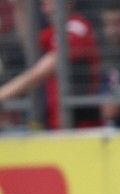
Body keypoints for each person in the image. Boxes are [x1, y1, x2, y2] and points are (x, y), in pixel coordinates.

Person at [0, 0, 100, 129]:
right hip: (55, 125)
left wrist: (3, 94)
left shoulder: (77, 26)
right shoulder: (53, 32)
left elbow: (40, 72)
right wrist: (19, 7)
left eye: (51, 3)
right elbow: (30, 44)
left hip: (81, 127)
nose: (47, 10)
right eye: (45, 4)